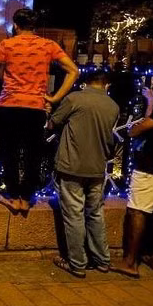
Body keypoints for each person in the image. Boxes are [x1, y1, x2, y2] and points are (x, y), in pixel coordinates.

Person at [0, 9, 79, 213]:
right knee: (33, 153)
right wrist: (55, 97)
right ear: (34, 26)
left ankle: (13, 196)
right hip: (35, 106)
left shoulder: (6, 44)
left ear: (15, 25)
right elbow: (74, 71)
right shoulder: (48, 45)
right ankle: (26, 198)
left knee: (9, 152)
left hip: (9, 105)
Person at [49, 71, 119, 277]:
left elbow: (53, 122)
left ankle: (77, 263)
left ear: (86, 83)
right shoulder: (113, 106)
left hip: (72, 164)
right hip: (97, 167)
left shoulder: (74, 99)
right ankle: (102, 260)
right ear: (106, 84)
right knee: (95, 213)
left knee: (74, 215)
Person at [112, 84, 153, 278]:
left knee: (137, 211)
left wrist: (150, 105)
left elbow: (138, 129)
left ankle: (130, 262)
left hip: (150, 167)